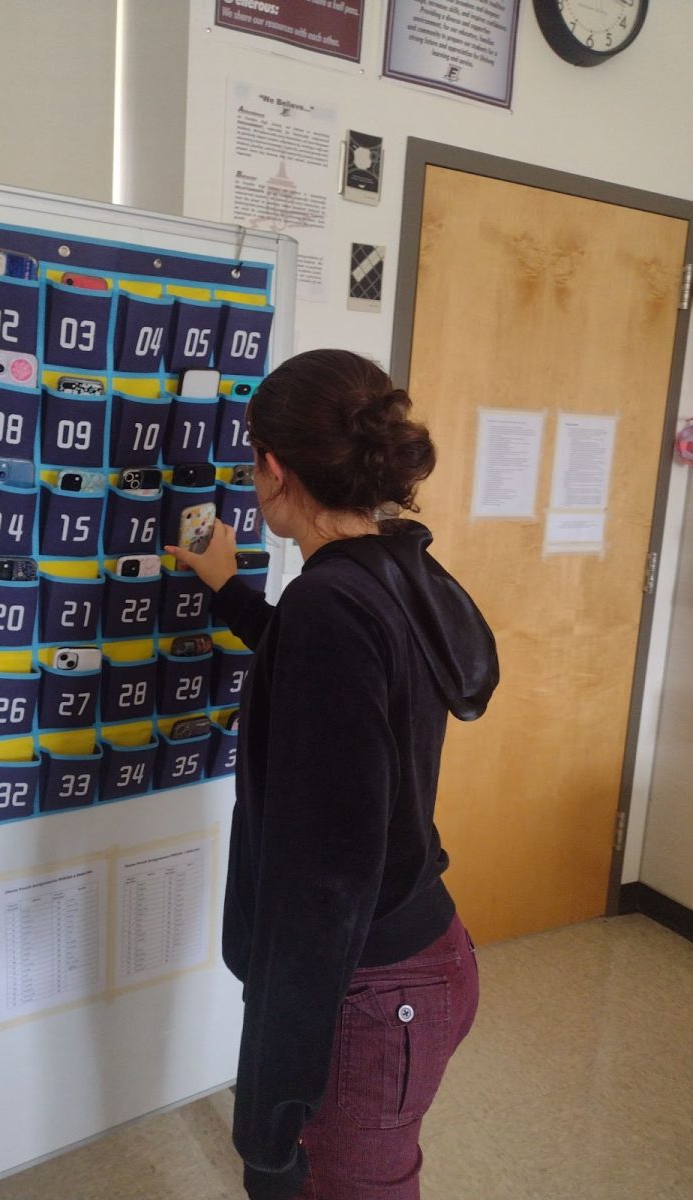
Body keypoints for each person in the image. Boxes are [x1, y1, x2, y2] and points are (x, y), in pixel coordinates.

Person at [166, 349, 499, 1200]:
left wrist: (270, 1104)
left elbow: (327, 879)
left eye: (250, 458)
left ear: (273, 469)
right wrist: (231, 591)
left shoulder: (329, 605)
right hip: (426, 953)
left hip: (369, 990)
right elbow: (339, 674)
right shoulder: (400, 570)